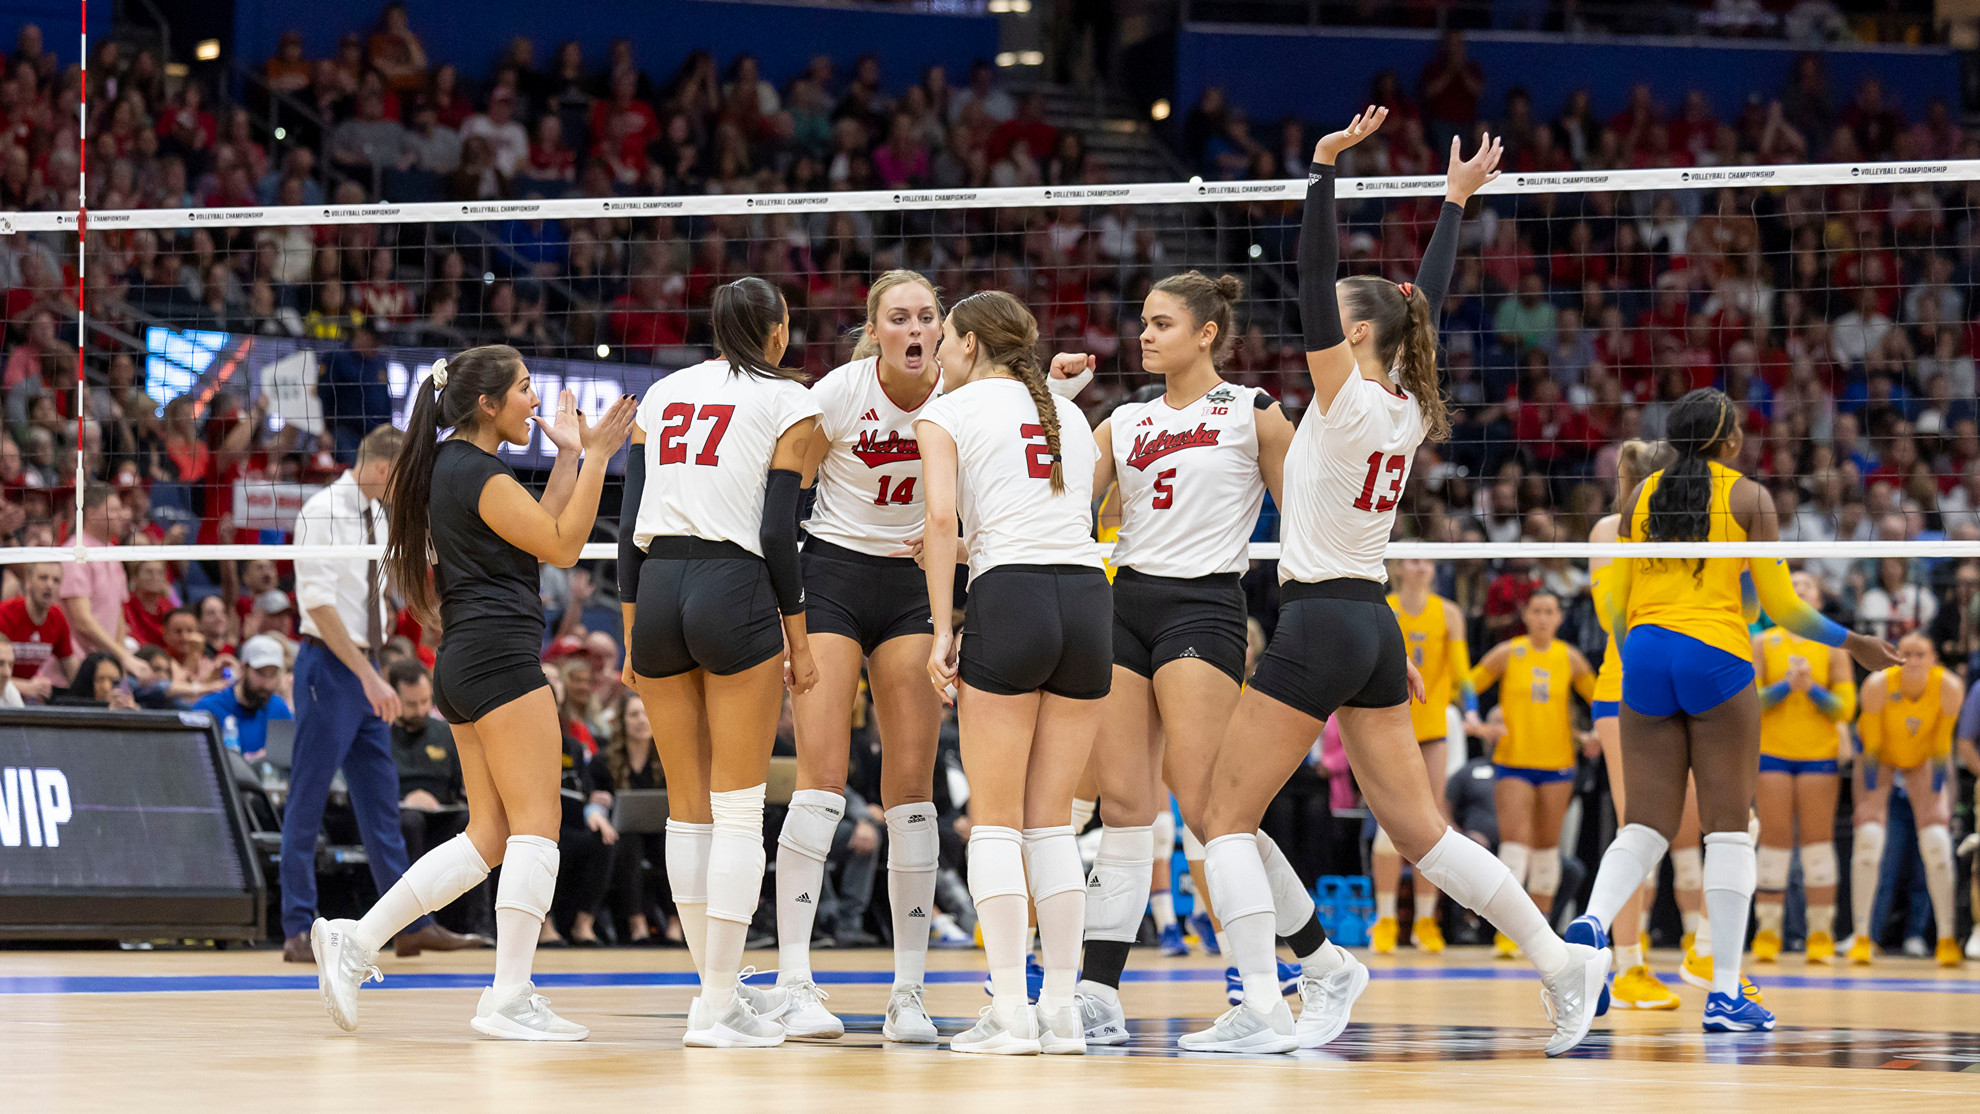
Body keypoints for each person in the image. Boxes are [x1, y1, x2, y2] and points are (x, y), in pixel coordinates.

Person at [1188, 108, 1608, 1059]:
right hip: (1372, 623)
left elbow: (1312, 278)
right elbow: (1425, 301)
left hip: (1324, 617)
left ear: (1358, 335)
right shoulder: (1408, 403)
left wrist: (1322, 170)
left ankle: (1273, 999)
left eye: (1339, 324)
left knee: (1221, 815)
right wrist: (1452, 206)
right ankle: (1560, 963)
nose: (1319, 332)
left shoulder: (1343, 400)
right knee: (1420, 831)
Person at [310, 347, 635, 1041]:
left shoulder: (456, 469)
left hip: (466, 657)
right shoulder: (473, 473)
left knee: (488, 835)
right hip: (497, 659)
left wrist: (571, 455)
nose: (533, 401)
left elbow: (535, 538)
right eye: (523, 389)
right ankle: (509, 996)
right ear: (487, 404)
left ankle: (356, 942)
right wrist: (602, 457)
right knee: (539, 826)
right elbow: (566, 546)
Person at [1573, 387, 1900, 1034]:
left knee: (1643, 826)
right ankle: (1724, 991)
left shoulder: (1640, 497)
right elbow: (1781, 608)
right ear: (1727, 441)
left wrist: (1643, 644)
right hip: (1715, 655)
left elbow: (1616, 606)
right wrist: (1853, 641)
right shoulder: (1749, 496)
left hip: (1641, 654)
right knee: (1727, 829)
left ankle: (1589, 929)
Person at [1064, 268, 1316, 1044]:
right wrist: (1060, 406)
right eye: (1143, 321)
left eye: (1162, 323)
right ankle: (1099, 993)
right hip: (1125, 602)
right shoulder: (1122, 421)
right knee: (1126, 806)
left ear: (1207, 333)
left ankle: (1297, 969)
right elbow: (1056, 501)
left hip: (1206, 606)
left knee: (1212, 812)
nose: (1144, 334)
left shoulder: (1254, 413)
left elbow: (1310, 526)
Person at [618, 276, 821, 1048]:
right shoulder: (788, 400)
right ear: (776, 331)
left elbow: (627, 519)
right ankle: (717, 1006)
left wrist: (635, 631)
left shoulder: (664, 391)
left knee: (685, 806)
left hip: (659, 585)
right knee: (739, 808)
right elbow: (778, 533)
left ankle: (715, 991)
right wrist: (798, 638)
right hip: (732, 584)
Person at [914, 289, 1109, 1056]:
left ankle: (1010, 1014)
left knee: (993, 820)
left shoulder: (948, 413)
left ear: (964, 344)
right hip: (1087, 599)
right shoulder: (1067, 414)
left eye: (943, 341)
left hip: (1011, 596)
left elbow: (938, 522)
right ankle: (1060, 1012)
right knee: (1051, 822)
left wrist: (940, 630)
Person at [774, 270, 946, 1043]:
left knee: (911, 788)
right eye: (899, 316)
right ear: (875, 330)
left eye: (927, 316)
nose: (915, 328)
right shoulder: (838, 392)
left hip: (916, 587)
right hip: (836, 575)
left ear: (943, 329)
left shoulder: (963, 395)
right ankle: (793, 981)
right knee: (823, 779)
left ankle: (908, 992)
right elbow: (784, 495)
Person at [282, 426, 479, 966]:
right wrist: (369, 678)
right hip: (329, 665)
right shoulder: (322, 510)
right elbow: (318, 604)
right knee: (308, 798)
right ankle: (297, 927)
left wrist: (434, 621)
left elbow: (391, 588)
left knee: (381, 806)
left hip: (365, 665)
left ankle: (409, 926)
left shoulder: (382, 514)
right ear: (382, 469)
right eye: (405, 474)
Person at [1584, 440, 1680, 1009]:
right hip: (1624, 693)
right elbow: (1611, 618)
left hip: (1670, 691)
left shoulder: (1682, 532)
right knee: (1635, 827)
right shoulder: (1609, 532)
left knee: (1668, 832)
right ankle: (1625, 966)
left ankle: (1695, 955)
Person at [1468, 590, 1596, 953]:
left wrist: (1596, 733)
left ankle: (1538, 936)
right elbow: (1467, 683)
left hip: (1558, 764)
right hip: (1514, 762)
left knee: (1546, 851)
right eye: (1537, 610)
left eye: (1549, 611)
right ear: (1526, 615)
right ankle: (1507, 933)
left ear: (1559, 618)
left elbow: (1600, 697)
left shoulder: (1569, 658)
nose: (1542, 617)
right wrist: (1475, 719)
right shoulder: (1509, 652)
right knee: (1514, 848)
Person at [1376, 557, 1480, 955]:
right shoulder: (1385, 606)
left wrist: (1470, 711)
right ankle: (1385, 920)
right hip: (1390, 724)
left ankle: (1425, 920)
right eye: (1413, 561)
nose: (1420, 567)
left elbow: (1462, 670)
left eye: (1426, 561)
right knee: (1387, 822)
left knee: (1430, 822)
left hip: (1433, 727)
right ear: (1399, 567)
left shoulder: (1448, 612)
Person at [1751, 570, 1855, 966]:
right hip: (1773, 754)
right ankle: (1768, 932)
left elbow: (1846, 707)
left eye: (1807, 585)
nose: (1799, 589)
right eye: (1791, 586)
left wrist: (1811, 688)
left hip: (1818, 755)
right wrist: (1784, 688)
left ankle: (1820, 934)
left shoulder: (1833, 647)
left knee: (1817, 846)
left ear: (1818, 598)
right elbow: (1752, 700)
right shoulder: (1763, 642)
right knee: (1774, 845)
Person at [1850, 632, 1964, 967]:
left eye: (1920, 654)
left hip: (1924, 759)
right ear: (1896, 657)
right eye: (1906, 654)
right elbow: (1869, 750)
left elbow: (1943, 748)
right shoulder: (1877, 684)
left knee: (1936, 843)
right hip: (1880, 758)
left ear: (1933, 659)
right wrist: (1868, 803)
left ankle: (1945, 938)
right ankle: (1860, 937)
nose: (1912, 661)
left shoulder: (1949, 687)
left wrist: (1938, 804)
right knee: (1869, 838)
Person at [590, 691, 667, 945]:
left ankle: (677, 924)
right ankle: (637, 923)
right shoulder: (603, 761)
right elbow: (593, 797)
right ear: (622, 721)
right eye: (634, 714)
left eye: (647, 714)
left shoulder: (668, 759)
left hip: (661, 831)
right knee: (628, 843)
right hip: (621, 833)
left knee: (676, 845)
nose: (642, 720)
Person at [61, 484, 149, 681]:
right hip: (78, 669)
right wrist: (122, 655)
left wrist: (119, 662)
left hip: (106, 666)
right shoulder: (76, 553)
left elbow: (118, 614)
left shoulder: (112, 552)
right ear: (91, 513)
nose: (122, 515)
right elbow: (82, 620)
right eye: (114, 510)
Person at [192, 635, 294, 761]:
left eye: (272, 675)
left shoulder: (278, 707)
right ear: (242, 669)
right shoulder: (208, 709)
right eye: (260, 673)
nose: (266, 683)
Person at [0, 561, 81, 698]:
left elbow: (74, 673)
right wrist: (25, 686)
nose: (49, 585)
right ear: (28, 581)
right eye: (43, 578)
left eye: (56, 580)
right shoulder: (5, 614)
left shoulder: (57, 618)